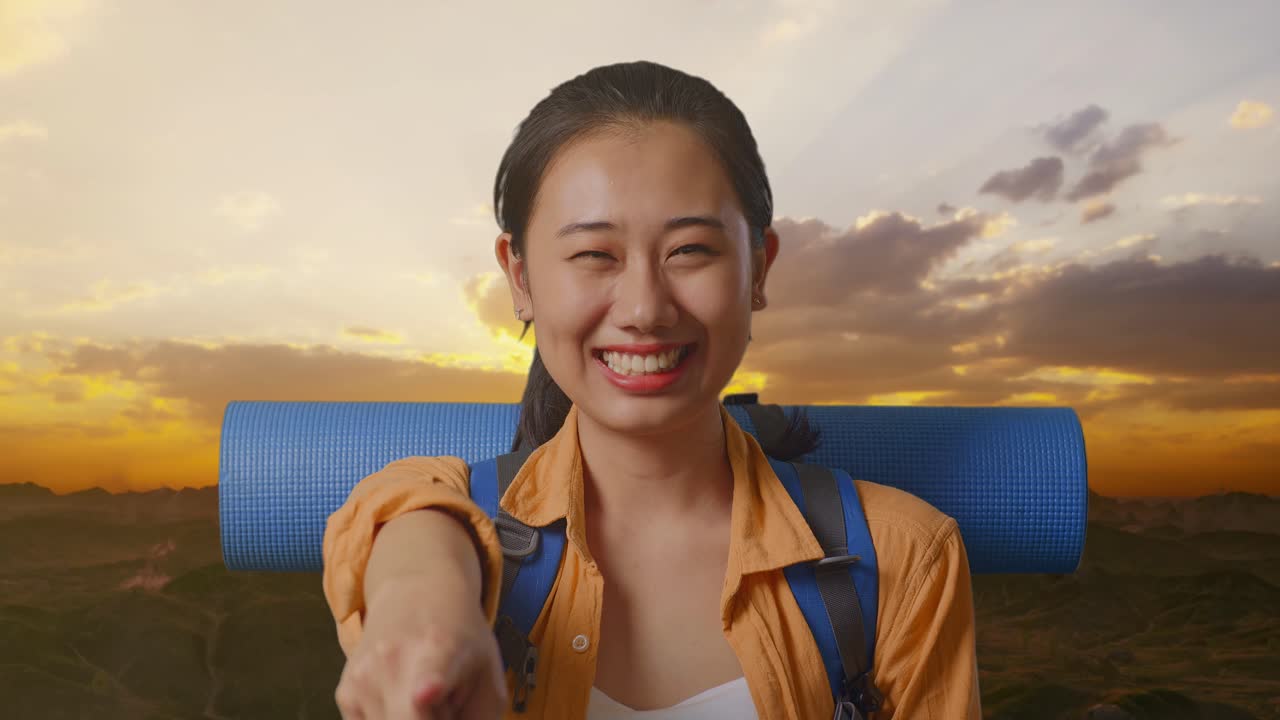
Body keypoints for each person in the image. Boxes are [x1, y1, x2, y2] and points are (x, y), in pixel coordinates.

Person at [322, 60, 982, 720]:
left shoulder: (906, 559)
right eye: (594, 255)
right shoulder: (448, 526)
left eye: (690, 250)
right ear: (519, 278)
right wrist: (424, 606)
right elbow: (403, 510)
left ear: (760, 267)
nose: (644, 308)